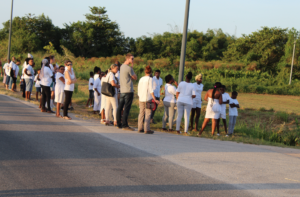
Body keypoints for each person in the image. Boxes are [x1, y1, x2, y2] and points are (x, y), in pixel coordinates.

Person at [117, 53, 137, 131]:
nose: (133, 60)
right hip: (128, 90)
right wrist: (132, 68)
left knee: (120, 107)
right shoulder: (129, 68)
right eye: (132, 59)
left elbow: (128, 78)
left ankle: (119, 124)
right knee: (126, 108)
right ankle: (125, 125)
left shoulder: (121, 67)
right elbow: (135, 77)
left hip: (122, 90)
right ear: (128, 59)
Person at [138, 65, 160, 134]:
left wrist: (139, 96)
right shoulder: (150, 79)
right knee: (148, 114)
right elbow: (151, 90)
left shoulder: (141, 79)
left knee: (141, 113)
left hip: (141, 98)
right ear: (151, 72)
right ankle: (146, 129)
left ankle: (140, 128)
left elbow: (138, 89)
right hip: (148, 99)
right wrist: (155, 99)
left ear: (145, 72)